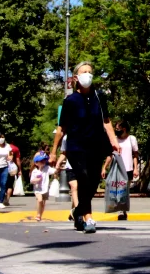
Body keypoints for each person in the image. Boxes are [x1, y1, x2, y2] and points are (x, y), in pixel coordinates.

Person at [50, 61, 120, 234]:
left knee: (94, 182)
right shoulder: (70, 101)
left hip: (96, 145)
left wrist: (114, 141)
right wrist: (53, 152)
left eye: (90, 71)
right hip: (76, 147)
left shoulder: (99, 96)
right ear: (76, 78)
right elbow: (62, 129)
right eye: (84, 72)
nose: (87, 74)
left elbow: (107, 121)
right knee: (84, 178)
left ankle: (78, 211)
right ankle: (88, 218)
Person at [102, 120, 139, 220]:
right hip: (116, 169)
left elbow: (135, 155)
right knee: (116, 190)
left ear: (124, 129)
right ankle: (119, 209)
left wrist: (136, 168)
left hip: (128, 169)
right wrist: (104, 167)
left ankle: (123, 211)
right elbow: (110, 155)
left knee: (124, 191)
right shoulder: (114, 139)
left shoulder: (132, 139)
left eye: (118, 129)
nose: (116, 130)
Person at [30, 152, 57, 221]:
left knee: (43, 203)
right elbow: (31, 181)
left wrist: (57, 166)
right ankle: (38, 215)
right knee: (40, 200)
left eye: (44, 160)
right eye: (41, 161)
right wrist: (36, 180)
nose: (43, 162)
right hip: (37, 189)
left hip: (45, 189)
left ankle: (40, 214)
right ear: (36, 163)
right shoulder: (35, 171)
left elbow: (54, 171)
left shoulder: (47, 168)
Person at [58, 134, 79, 221]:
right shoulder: (66, 138)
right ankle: (78, 211)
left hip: (83, 166)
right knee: (74, 187)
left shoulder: (86, 134)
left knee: (79, 190)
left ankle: (72, 213)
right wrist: (58, 163)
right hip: (70, 166)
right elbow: (64, 153)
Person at [4, 140, 22, 206]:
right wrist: (19, 170)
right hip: (11, 169)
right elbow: (17, 160)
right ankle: (7, 200)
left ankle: (3, 198)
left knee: (3, 184)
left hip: (2, 168)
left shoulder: (2, 147)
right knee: (10, 184)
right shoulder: (14, 148)